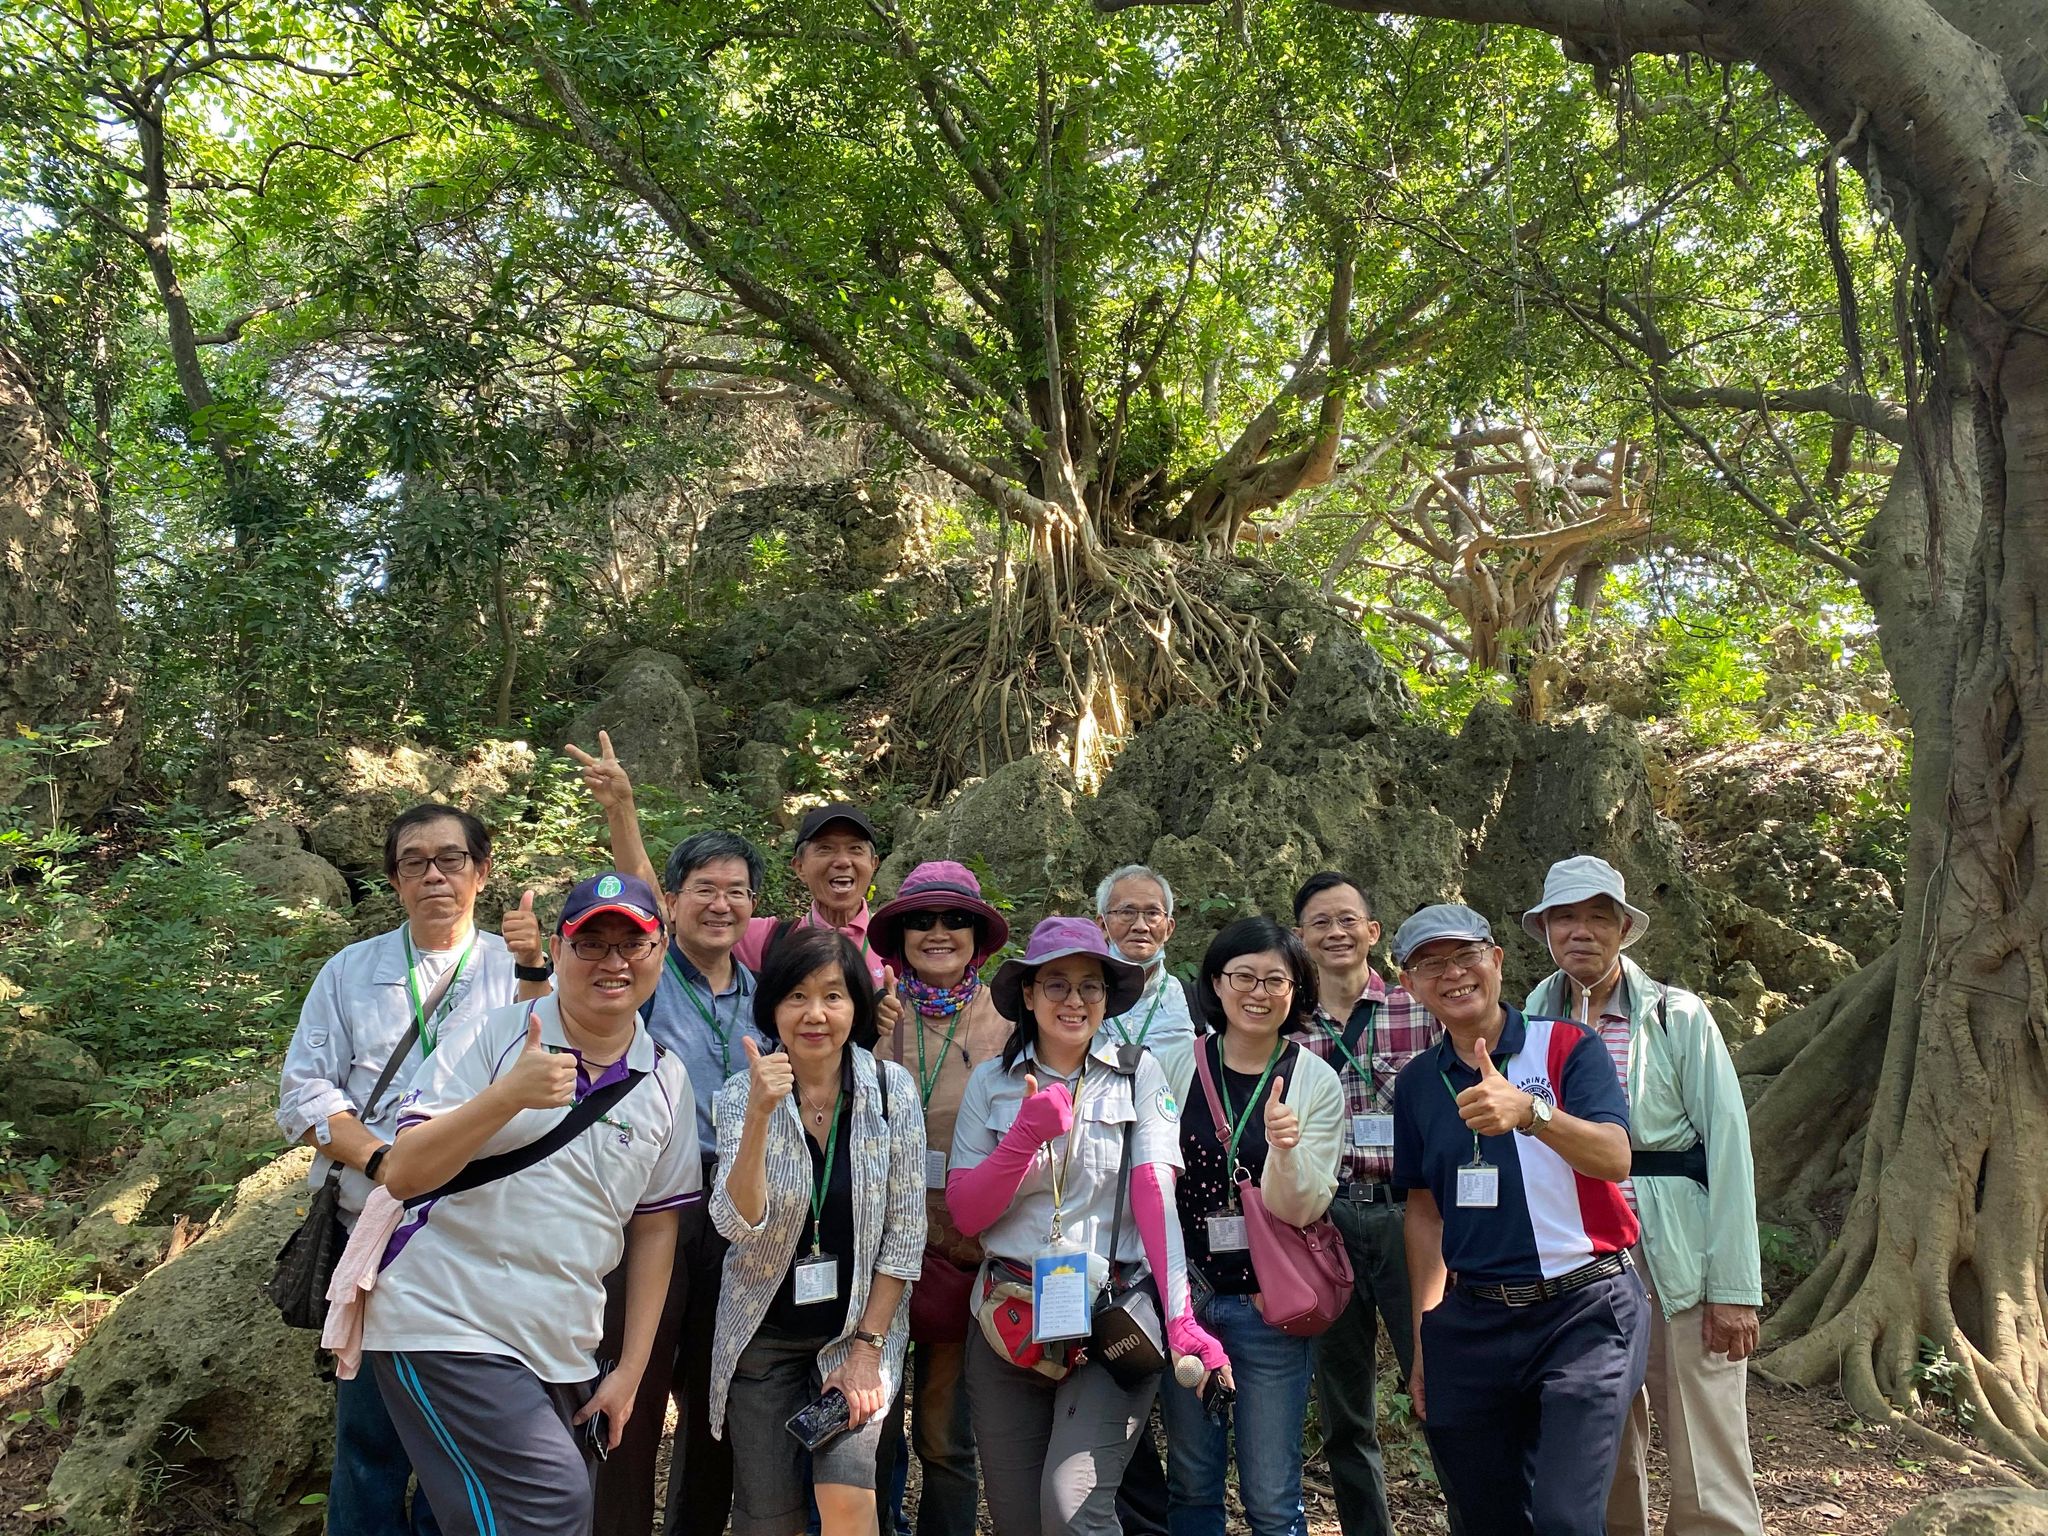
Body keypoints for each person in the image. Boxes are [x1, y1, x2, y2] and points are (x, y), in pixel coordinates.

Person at [361, 871, 699, 1536]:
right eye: (591, 944)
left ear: (661, 951)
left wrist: (630, 1370)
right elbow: (402, 1173)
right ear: (557, 948)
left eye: (632, 945)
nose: (613, 963)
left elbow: (657, 1228)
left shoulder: (666, 1078)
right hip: (446, 1317)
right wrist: (507, 1096)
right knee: (548, 1507)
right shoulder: (492, 1036)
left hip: (562, 1340)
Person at [277, 802, 538, 1536]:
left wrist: (537, 972)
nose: (434, 875)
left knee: (462, 1445)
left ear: (481, 872)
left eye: (450, 859)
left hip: (481, 1240)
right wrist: (384, 1160)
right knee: (370, 1441)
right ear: (394, 881)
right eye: (414, 862)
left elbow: (556, 1073)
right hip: (377, 1239)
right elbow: (303, 1092)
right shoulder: (349, 972)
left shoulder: (515, 969)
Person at [947, 916, 1229, 1536]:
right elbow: (967, 1213)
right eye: (1056, 985)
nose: (1074, 1001)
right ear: (1027, 994)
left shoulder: (1138, 1073)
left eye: (1090, 986)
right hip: (1008, 1317)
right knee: (1020, 1520)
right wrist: (1023, 1136)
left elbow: (1155, 1192)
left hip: (1110, 1315)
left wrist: (1179, 1315)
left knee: (1072, 1508)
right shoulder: (991, 1083)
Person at [1521, 857, 1765, 1536]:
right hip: (1576, 1256)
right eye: (1565, 917)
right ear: (1544, 929)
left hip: (1675, 1249)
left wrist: (1736, 1287)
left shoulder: (1676, 1015)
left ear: (1624, 928)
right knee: (1596, 1438)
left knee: (1705, 1437)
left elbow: (1727, 1148)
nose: (1581, 932)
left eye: (1599, 917)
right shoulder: (1531, 1019)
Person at [1390, 903, 1645, 1536]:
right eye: (1430, 964)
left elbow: (1615, 1158)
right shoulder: (1420, 1084)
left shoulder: (1565, 1046)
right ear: (1408, 985)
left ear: (1497, 960)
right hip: (1472, 1318)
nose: (1452, 975)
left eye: (1465, 956)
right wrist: (1426, 1336)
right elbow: (1424, 1214)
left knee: (1564, 1517)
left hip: (1583, 1308)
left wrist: (1533, 1113)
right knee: (1485, 1515)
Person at [706, 928, 927, 1536]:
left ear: (856, 1006)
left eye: (833, 996)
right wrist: (757, 1115)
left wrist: (865, 1350)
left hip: (858, 1330)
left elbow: (906, 1237)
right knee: (767, 1518)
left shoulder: (890, 1090)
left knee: (848, 1504)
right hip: (765, 1336)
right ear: (773, 1006)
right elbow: (733, 1221)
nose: (815, 1014)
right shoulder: (739, 1095)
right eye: (797, 996)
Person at [585, 829, 772, 1536]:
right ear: (672, 900)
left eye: (736, 891)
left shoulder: (767, 996)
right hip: (653, 1206)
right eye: (705, 888)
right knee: (633, 1374)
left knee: (716, 1392)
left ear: (754, 904)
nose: (721, 905)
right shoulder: (643, 981)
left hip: (742, 1207)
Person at [1154, 918, 1343, 1536]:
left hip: (1270, 1308)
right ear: (1216, 981)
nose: (1258, 993)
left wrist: (1285, 1150)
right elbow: (1150, 1184)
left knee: (1270, 1491)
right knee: (1192, 1483)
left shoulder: (1315, 1079)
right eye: (1243, 977)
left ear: (1297, 992)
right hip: (1188, 1301)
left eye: (1276, 980)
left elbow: (1302, 1208)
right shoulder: (1176, 1065)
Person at [1288, 872, 1458, 1536]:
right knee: (1342, 1404)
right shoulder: (1287, 1023)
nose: (1335, 932)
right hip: (1324, 1224)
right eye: (1320, 922)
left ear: (1372, 933)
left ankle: (1470, 1514)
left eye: (1347, 919)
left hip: (1410, 1215)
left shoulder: (1419, 1011)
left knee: (1440, 1379)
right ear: (1300, 938)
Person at [868, 862, 1013, 1536]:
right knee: (871, 1425)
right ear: (900, 934)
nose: (938, 932)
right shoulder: (873, 1010)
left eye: (955, 919)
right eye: (922, 920)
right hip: (882, 1251)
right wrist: (870, 1030)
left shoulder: (1009, 1019)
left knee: (946, 1434)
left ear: (976, 935)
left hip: (969, 1250)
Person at [565, 732, 889, 987]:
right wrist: (620, 808)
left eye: (855, 849)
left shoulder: (898, 940)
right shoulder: (766, 937)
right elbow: (659, 909)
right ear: (799, 867)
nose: (842, 861)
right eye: (825, 849)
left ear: (874, 865)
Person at [1093, 865, 1199, 1053]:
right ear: (1102, 926)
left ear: (1169, 928)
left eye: (1152, 914)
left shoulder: (1195, 1003)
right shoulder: (1081, 1002)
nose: (1141, 926)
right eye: (1127, 912)